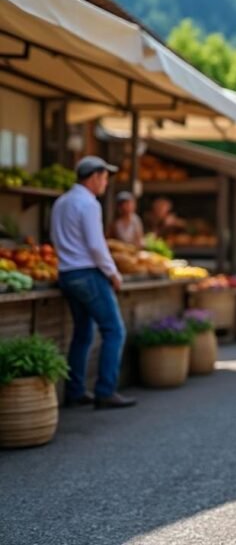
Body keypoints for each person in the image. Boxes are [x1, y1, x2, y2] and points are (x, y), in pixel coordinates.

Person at [51, 156, 136, 409]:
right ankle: (105, 391)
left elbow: (55, 238)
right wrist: (113, 273)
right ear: (95, 176)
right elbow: (96, 246)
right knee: (114, 330)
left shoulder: (61, 201)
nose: (106, 184)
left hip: (66, 274)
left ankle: (76, 391)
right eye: (105, 178)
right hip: (88, 273)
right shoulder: (88, 204)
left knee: (83, 333)